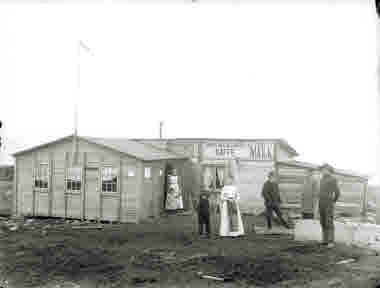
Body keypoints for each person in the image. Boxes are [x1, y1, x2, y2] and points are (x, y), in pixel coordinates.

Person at [318, 163, 340, 248]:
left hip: (328, 202)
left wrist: (332, 201)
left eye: (324, 169)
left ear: (329, 170)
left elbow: (337, 192)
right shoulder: (322, 179)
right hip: (321, 202)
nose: (323, 171)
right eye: (322, 169)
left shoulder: (333, 179)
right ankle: (325, 240)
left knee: (329, 222)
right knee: (322, 221)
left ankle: (331, 241)